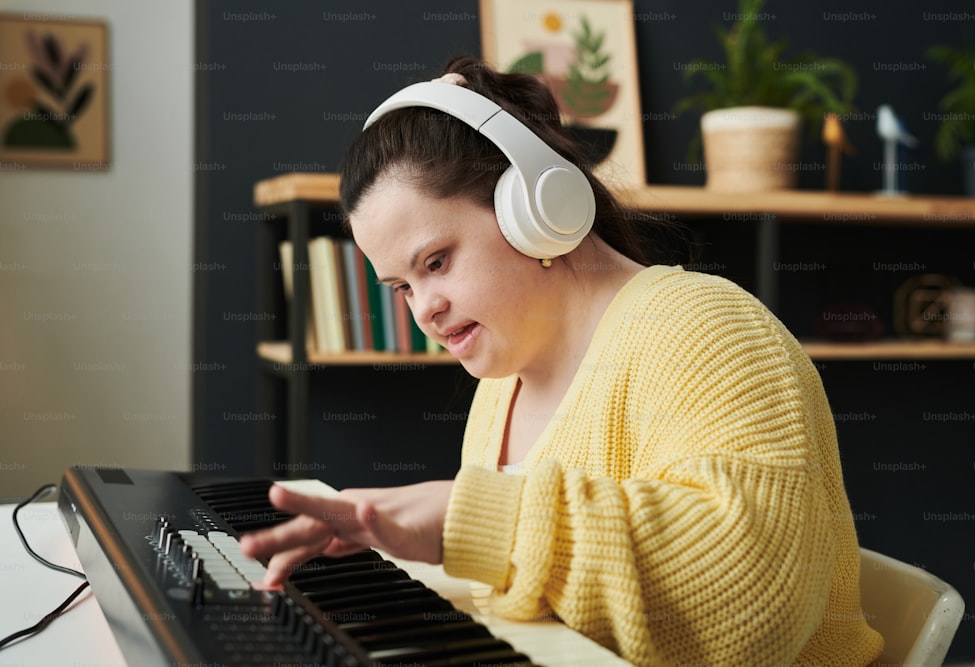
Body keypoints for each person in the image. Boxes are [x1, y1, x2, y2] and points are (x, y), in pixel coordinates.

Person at [240, 55, 884, 666]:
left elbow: (753, 603)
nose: (424, 310)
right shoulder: (504, 383)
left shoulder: (707, 329)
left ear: (536, 207)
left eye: (435, 262)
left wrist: (467, 519)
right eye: (402, 287)